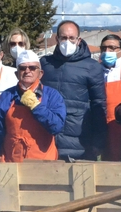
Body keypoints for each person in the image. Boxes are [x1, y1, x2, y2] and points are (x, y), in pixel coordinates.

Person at [40, 20, 106, 160]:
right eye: (63, 38)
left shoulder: (92, 67)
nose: (67, 42)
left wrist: (98, 141)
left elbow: (99, 105)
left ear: (78, 40)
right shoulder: (45, 64)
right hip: (47, 140)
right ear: (57, 39)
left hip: (80, 142)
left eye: (71, 38)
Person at [0, 50, 66, 162]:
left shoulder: (52, 96)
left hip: (44, 164)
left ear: (41, 73)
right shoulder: (7, 96)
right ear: (16, 73)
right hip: (12, 164)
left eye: (32, 68)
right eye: (22, 68)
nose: (27, 71)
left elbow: (56, 127)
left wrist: (36, 106)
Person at [100, 34, 121, 161]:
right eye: (104, 48)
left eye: (111, 48)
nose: (107, 51)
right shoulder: (97, 70)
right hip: (104, 126)